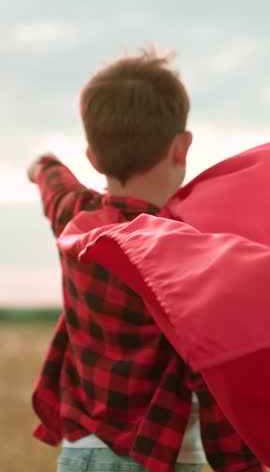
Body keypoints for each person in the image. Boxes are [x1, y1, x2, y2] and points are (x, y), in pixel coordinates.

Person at [27, 50, 261, 472]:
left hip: (80, 454)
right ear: (181, 147)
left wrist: (40, 164)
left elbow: (54, 184)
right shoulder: (184, 253)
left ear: (93, 158)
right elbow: (206, 366)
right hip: (159, 458)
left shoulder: (76, 216)